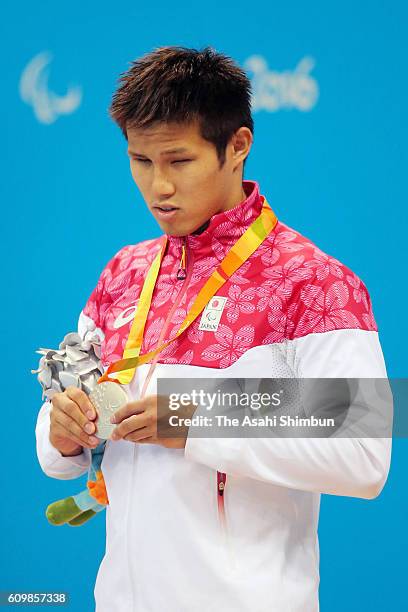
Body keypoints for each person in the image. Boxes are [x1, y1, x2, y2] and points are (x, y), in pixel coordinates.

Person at [35, 46, 392, 612]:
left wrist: (195, 416)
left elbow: (364, 447)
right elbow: (78, 404)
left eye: (179, 161)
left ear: (238, 147)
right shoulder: (124, 272)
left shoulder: (314, 281)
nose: (158, 187)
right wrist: (62, 432)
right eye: (140, 161)